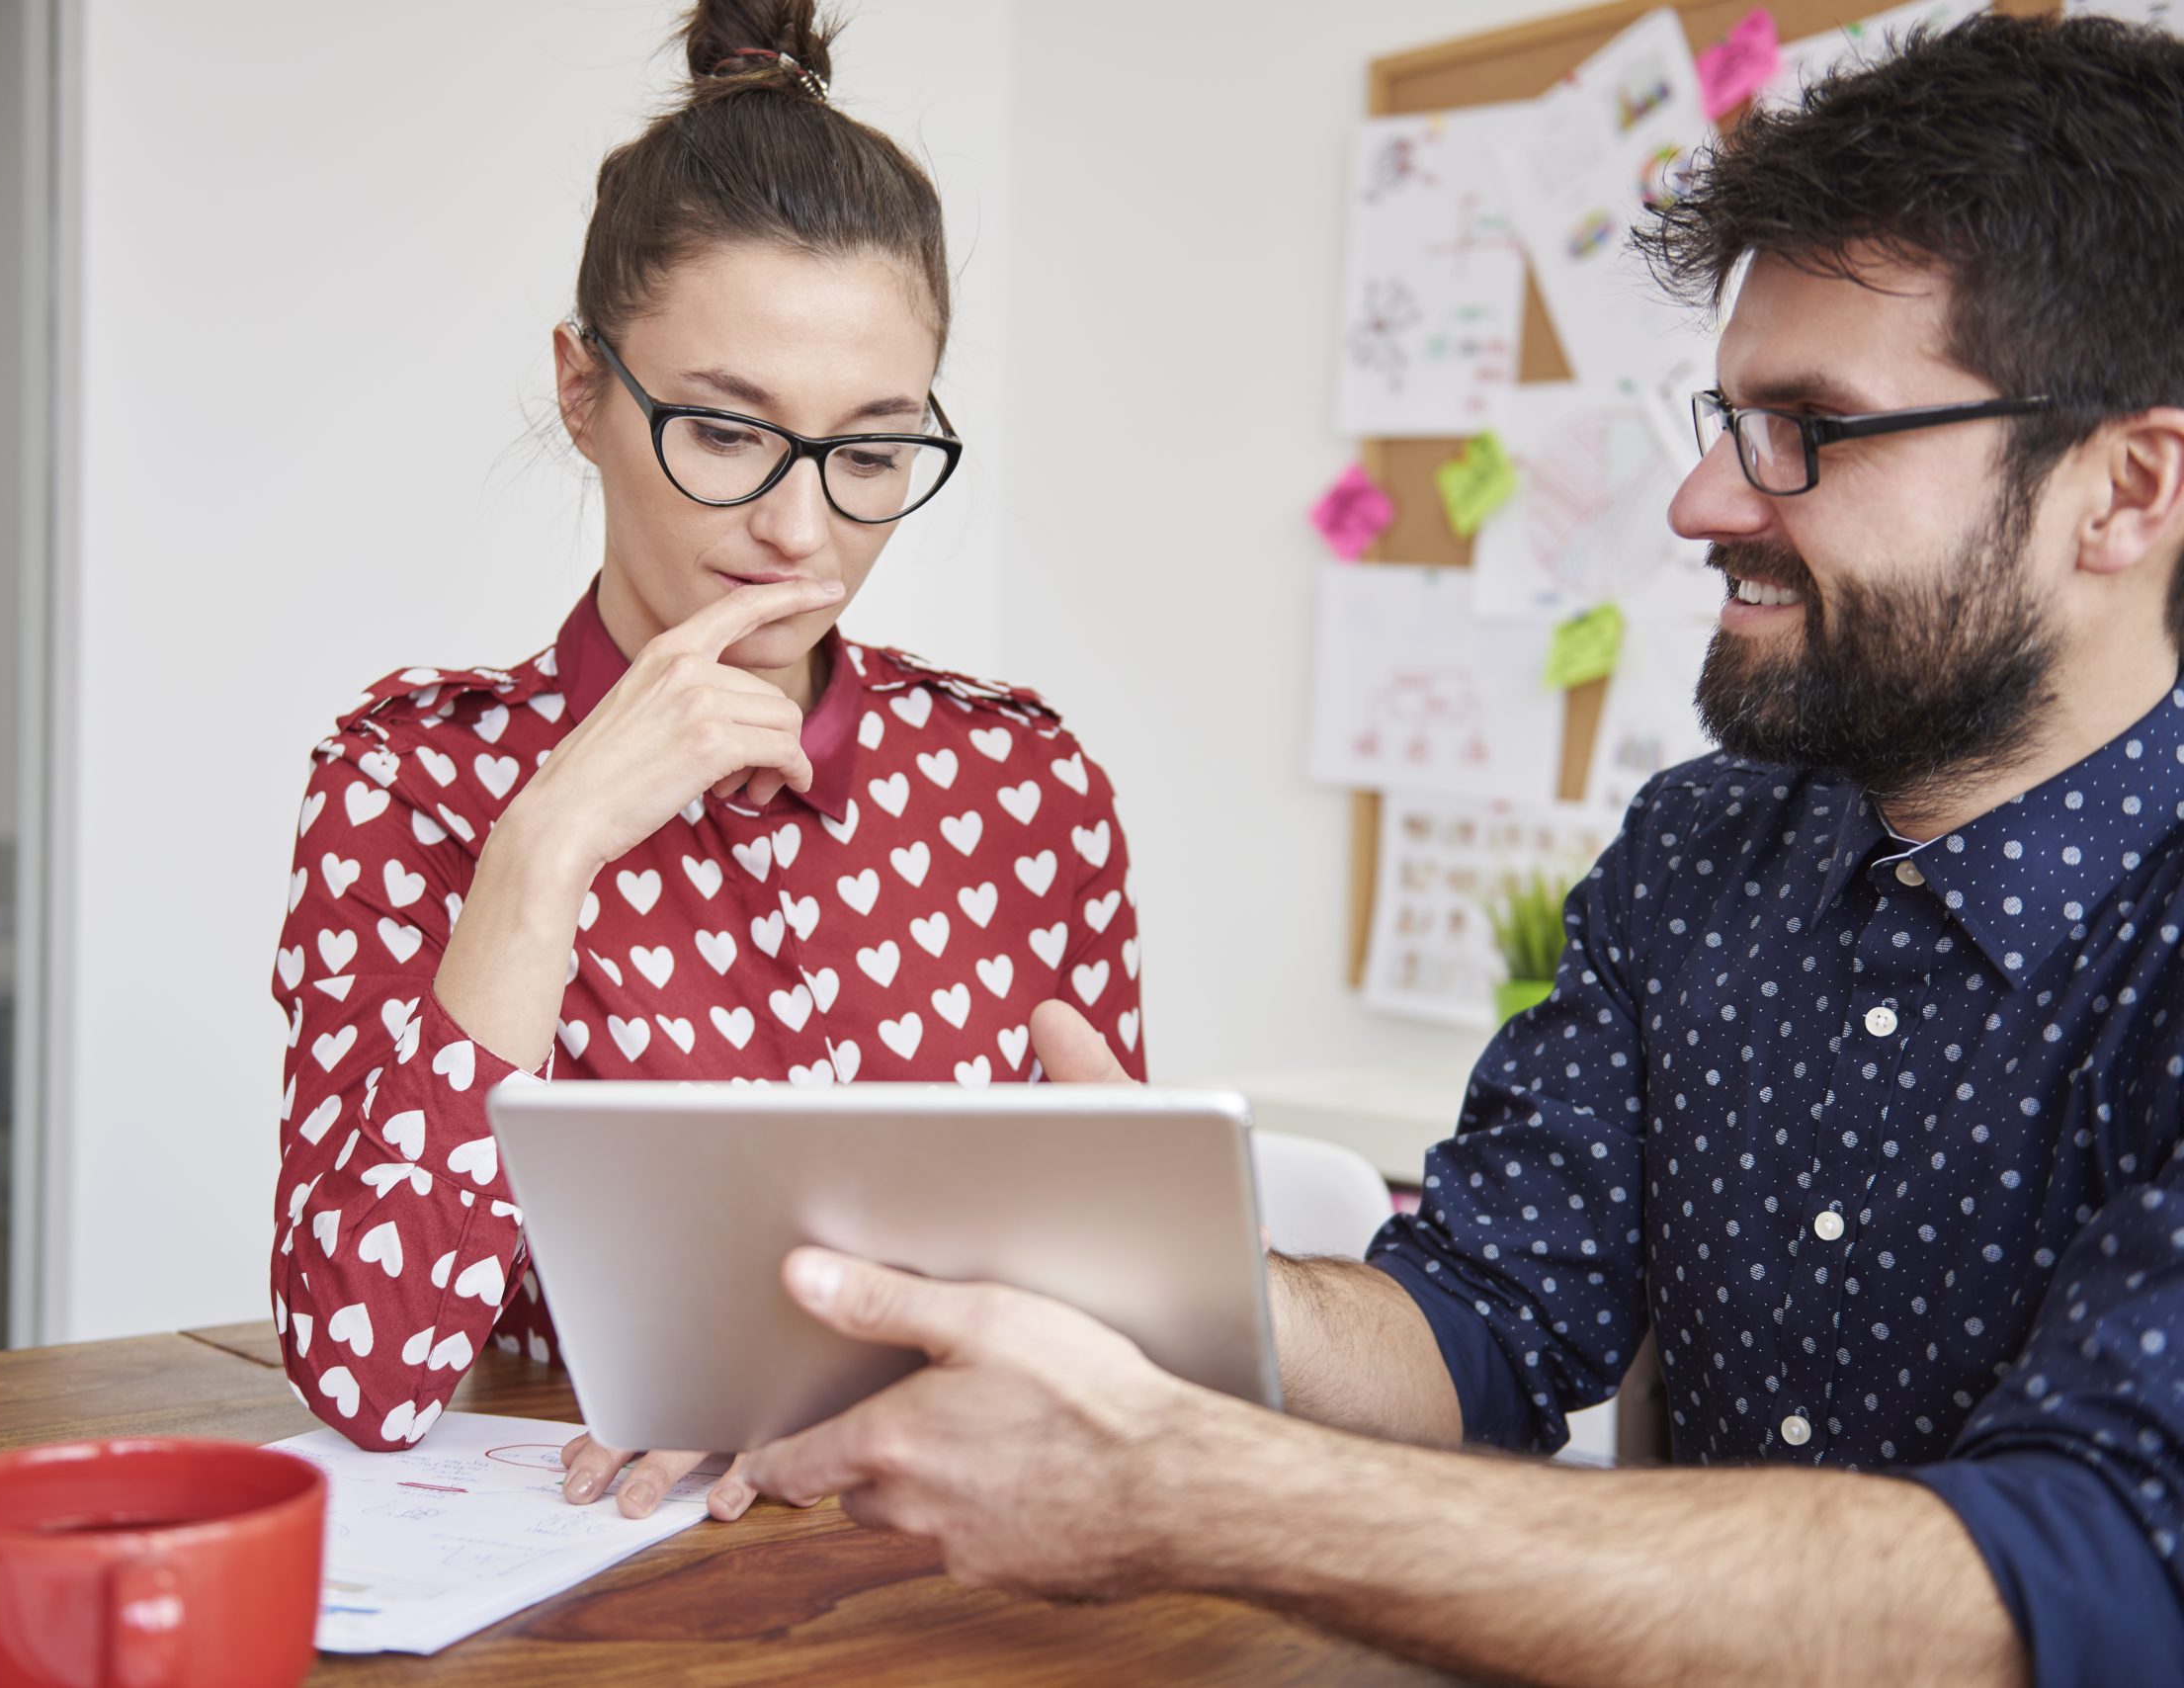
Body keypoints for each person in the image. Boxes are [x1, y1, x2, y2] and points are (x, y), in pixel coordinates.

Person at [735, 17, 2184, 1686]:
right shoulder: (1700, 855)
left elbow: (2091, 1574)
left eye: (1810, 428)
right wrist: (1158, 1278)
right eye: (1722, 416)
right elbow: (1483, 1317)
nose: (1704, 502)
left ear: (2124, 489)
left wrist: (1203, 1494)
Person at [266, 0, 1145, 1519]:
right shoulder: (408, 783)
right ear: (583, 388)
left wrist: (813, 1396)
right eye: (728, 436)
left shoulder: (1022, 784)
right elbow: (372, 1373)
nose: (801, 533)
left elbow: (1117, 1331)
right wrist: (541, 856)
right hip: (595, 1579)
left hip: (952, 1585)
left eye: (871, 453)